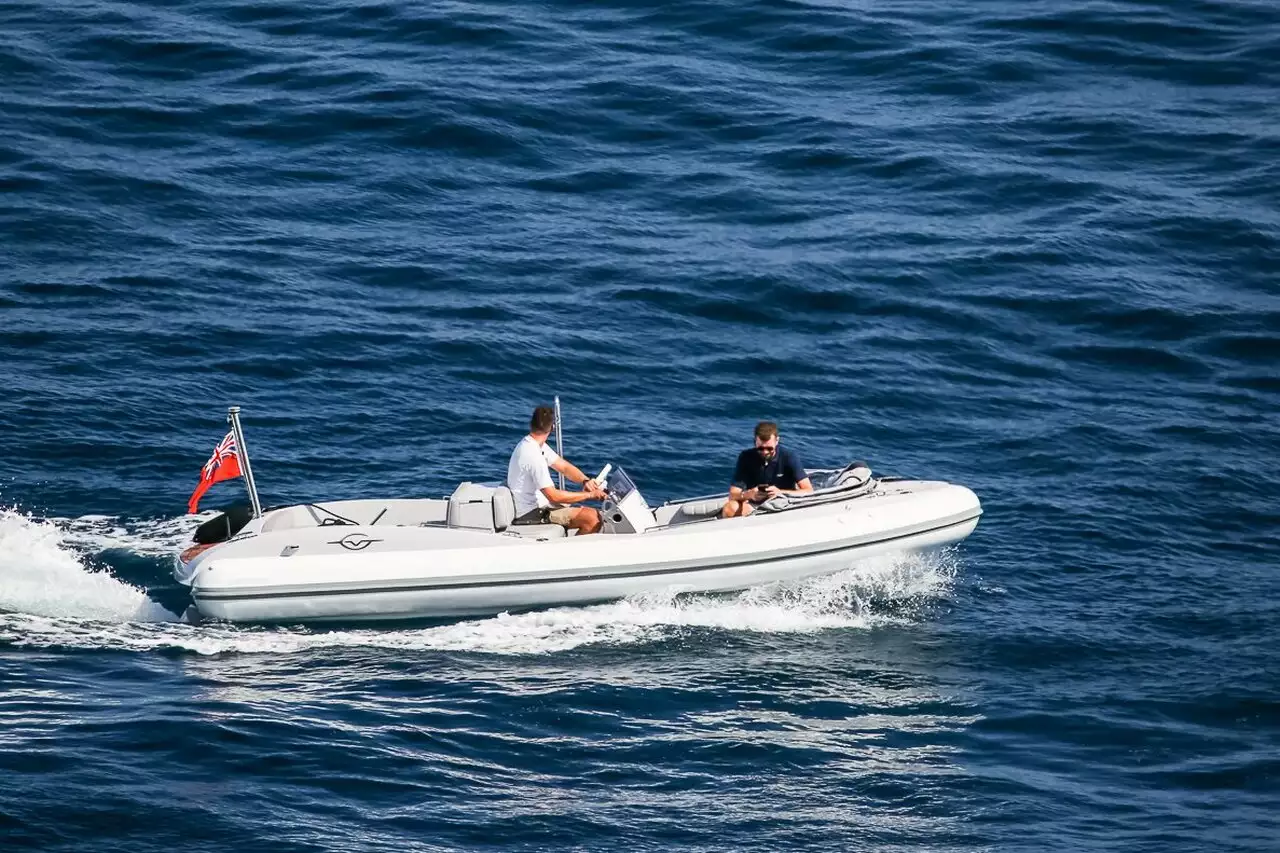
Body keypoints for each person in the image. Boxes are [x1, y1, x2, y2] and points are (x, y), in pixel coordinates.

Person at [506, 405, 607, 535]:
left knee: (573, 505)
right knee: (592, 518)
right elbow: (553, 496)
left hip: (539, 504)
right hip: (530, 513)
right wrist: (590, 495)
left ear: (531, 424)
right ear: (553, 428)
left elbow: (564, 467)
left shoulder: (533, 445)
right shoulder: (533, 455)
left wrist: (585, 481)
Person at [721, 421, 813, 518]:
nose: (765, 452)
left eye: (769, 448)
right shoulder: (746, 457)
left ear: (777, 441)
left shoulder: (789, 457)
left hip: (783, 502)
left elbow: (808, 490)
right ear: (755, 442)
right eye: (760, 448)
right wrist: (749, 494)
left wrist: (780, 492)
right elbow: (733, 494)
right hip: (755, 504)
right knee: (730, 508)